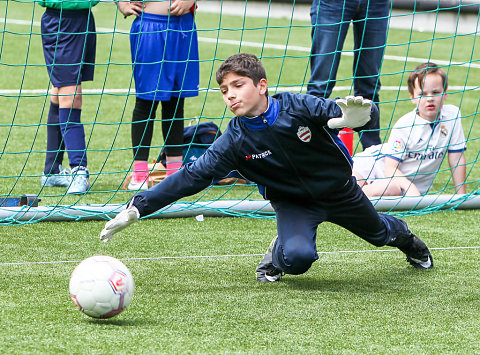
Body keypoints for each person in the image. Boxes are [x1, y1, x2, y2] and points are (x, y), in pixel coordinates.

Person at [100, 53, 433, 283]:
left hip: (340, 192)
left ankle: (409, 241)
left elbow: (347, 114)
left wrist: (356, 118)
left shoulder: (297, 105)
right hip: (292, 203)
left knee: (380, 235)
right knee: (298, 259)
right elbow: (192, 176)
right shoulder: (233, 141)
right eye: (224, 90)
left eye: (238, 85)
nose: (230, 95)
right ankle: (278, 251)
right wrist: (139, 206)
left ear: (261, 85)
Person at [117, 0, 199, 190]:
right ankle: (139, 175)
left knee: (176, 103)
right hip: (149, 27)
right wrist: (120, 3)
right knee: (146, 102)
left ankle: (175, 174)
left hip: (183, 28)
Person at [352, 63, 467, 197]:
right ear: (412, 97)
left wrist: (461, 196)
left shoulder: (452, 116)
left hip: (396, 185)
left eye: (435, 92)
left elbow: (456, 158)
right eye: (423, 94)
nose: (430, 98)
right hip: (370, 165)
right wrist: (411, 189)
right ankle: (351, 197)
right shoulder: (404, 125)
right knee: (339, 190)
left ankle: (353, 197)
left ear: (445, 94)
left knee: (391, 189)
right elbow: (390, 169)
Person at [308, 0, 390, 150]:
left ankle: (373, 153)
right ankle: (308, 145)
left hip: (376, 5)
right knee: (320, 85)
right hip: (332, 4)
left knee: (369, 84)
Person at [38, 0, 99, 194]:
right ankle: (79, 169)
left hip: (85, 19)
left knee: (60, 92)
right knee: (71, 95)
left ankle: (52, 170)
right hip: (61, 21)